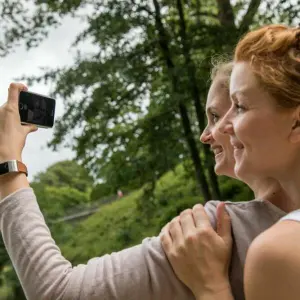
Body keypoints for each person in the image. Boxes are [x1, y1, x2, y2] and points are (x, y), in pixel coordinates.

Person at [0, 63, 287, 300]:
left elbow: (56, 292)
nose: (207, 134)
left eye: (218, 114)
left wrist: (8, 162)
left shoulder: (213, 230)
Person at [161, 24, 300, 300]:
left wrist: (211, 288)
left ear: (297, 123)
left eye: (239, 107)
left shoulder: (279, 252)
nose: (224, 126)